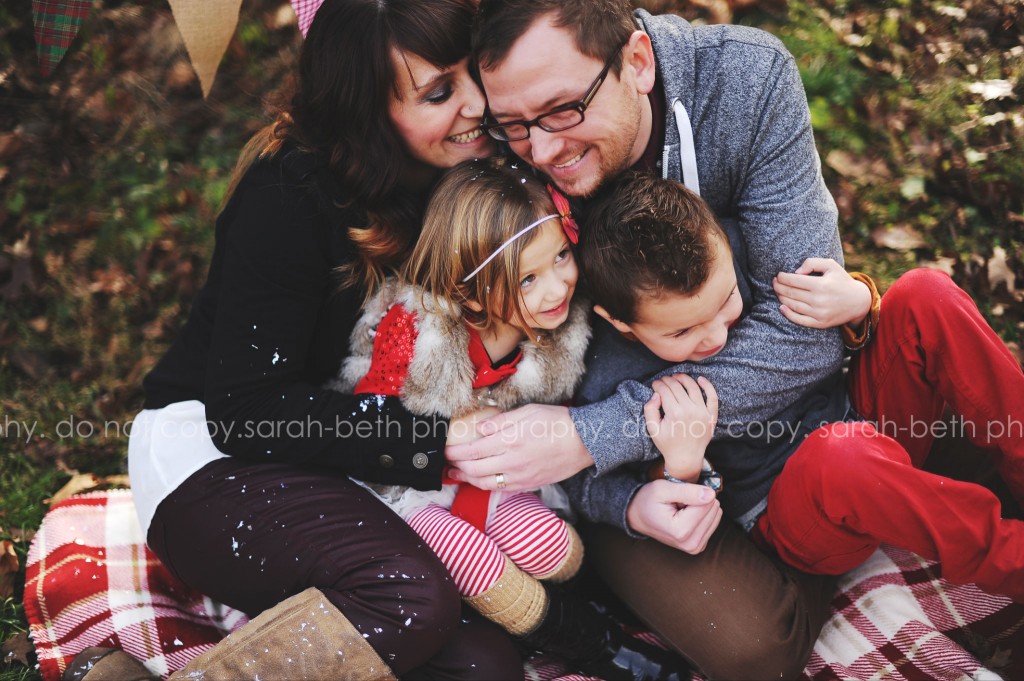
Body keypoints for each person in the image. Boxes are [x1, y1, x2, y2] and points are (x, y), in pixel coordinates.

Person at [122, 1, 528, 678]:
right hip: (211, 456)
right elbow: (245, 408)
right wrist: (431, 440)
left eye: (473, 73)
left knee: (484, 664)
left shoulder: (466, 174)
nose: (477, 104)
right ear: (367, 109)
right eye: (438, 92)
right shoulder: (289, 196)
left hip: (332, 458)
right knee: (410, 599)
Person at [445, 1, 842, 677]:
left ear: (636, 61)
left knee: (851, 482)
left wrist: (597, 431)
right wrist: (619, 492)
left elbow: (808, 335)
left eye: (564, 109)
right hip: (610, 477)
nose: (542, 152)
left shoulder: (746, 83)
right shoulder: (492, 161)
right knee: (757, 647)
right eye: (514, 125)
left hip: (717, 423)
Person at [578, 171, 1024, 602]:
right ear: (619, 323)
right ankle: (1010, 558)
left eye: (726, 303)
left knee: (925, 293)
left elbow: (823, 327)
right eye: (682, 334)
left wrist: (860, 307)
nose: (715, 337)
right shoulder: (608, 373)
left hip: (862, 419)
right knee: (839, 454)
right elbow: (626, 483)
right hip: (798, 513)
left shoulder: (724, 251)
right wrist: (683, 465)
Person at [332, 157, 690, 680]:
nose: (556, 288)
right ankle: (596, 647)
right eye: (527, 279)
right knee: (467, 555)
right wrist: (442, 440)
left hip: (494, 479)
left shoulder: (563, 329)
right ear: (469, 291)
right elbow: (370, 424)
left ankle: (521, 610)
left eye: (562, 256)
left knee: (551, 548)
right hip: (406, 487)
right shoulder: (417, 334)